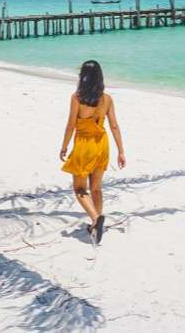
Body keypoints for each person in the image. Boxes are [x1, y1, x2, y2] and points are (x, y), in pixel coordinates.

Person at [60, 60, 126, 244]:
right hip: (102, 145)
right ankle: (96, 225)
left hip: (84, 145)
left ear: (83, 77)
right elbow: (114, 126)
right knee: (96, 188)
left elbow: (70, 125)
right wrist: (121, 151)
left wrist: (64, 146)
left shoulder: (77, 98)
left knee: (80, 189)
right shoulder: (107, 99)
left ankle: (96, 219)